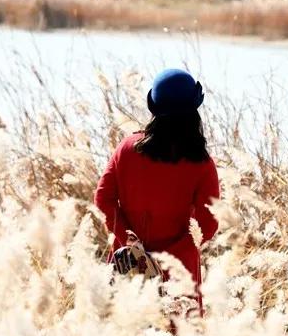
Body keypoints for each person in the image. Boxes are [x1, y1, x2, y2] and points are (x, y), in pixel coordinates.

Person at [94, 68, 220, 316]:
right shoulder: (201, 163)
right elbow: (209, 222)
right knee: (178, 334)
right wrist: (166, 259)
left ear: (153, 107)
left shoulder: (127, 148)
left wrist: (130, 244)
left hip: (127, 266)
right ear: (194, 110)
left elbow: (103, 199)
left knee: (124, 333)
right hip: (178, 275)